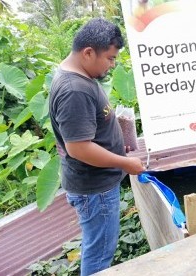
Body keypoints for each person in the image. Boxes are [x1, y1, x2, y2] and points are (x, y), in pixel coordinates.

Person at [49, 18, 145, 275]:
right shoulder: (75, 90)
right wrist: (125, 163)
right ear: (88, 52)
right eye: (110, 58)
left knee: (98, 246)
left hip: (95, 185)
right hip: (95, 190)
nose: (112, 65)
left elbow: (88, 132)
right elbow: (78, 148)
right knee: (100, 252)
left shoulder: (80, 75)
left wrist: (115, 146)